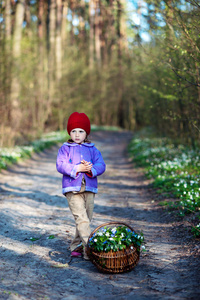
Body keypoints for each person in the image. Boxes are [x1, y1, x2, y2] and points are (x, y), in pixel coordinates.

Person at [56, 112, 106, 260]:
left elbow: (101, 165)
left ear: (87, 133)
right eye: (73, 131)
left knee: (86, 219)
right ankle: (90, 250)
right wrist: (77, 169)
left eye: (81, 131)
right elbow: (60, 165)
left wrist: (90, 169)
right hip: (72, 189)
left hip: (89, 188)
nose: (77, 134)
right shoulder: (65, 148)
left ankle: (76, 246)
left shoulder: (92, 149)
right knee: (81, 219)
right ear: (69, 132)